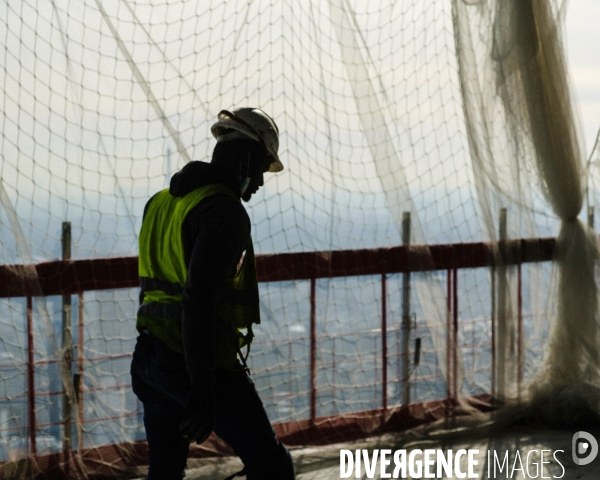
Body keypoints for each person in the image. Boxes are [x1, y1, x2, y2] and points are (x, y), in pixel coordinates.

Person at [130, 108, 295, 480]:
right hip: (196, 365)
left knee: (165, 473)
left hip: (149, 360)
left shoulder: (159, 203)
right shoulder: (224, 212)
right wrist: (202, 393)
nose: (260, 182)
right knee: (272, 466)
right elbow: (197, 300)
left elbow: (156, 289)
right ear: (247, 157)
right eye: (260, 169)